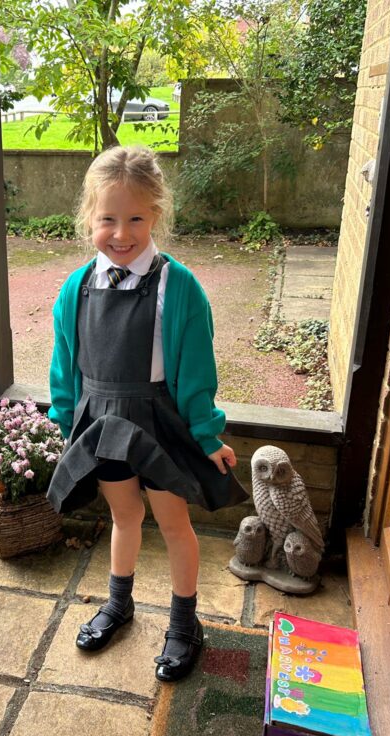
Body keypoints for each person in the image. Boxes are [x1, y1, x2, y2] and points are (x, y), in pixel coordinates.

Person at [47, 145, 248, 682]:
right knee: (124, 517)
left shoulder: (178, 287)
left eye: (135, 218)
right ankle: (120, 602)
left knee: (174, 523)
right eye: (107, 219)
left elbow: (198, 369)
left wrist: (206, 435)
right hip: (100, 422)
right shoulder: (76, 287)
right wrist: (66, 424)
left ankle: (185, 622)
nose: (120, 232)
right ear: (89, 218)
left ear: (156, 213)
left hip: (157, 422)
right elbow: (65, 364)